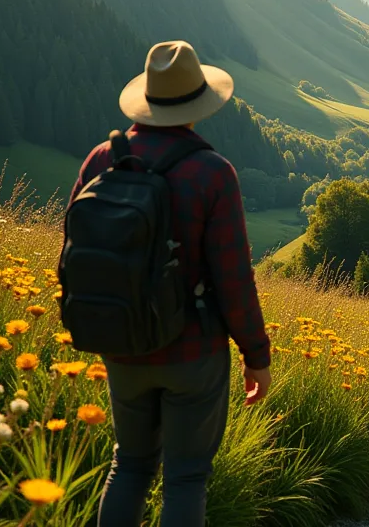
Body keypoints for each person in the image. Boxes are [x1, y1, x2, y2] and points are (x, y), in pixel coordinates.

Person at [69, 41, 272, 526]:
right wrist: (256, 356)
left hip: (122, 342)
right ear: (198, 106)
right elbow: (233, 278)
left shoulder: (102, 159)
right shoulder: (212, 173)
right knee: (185, 477)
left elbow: (73, 252)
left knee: (129, 465)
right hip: (192, 351)